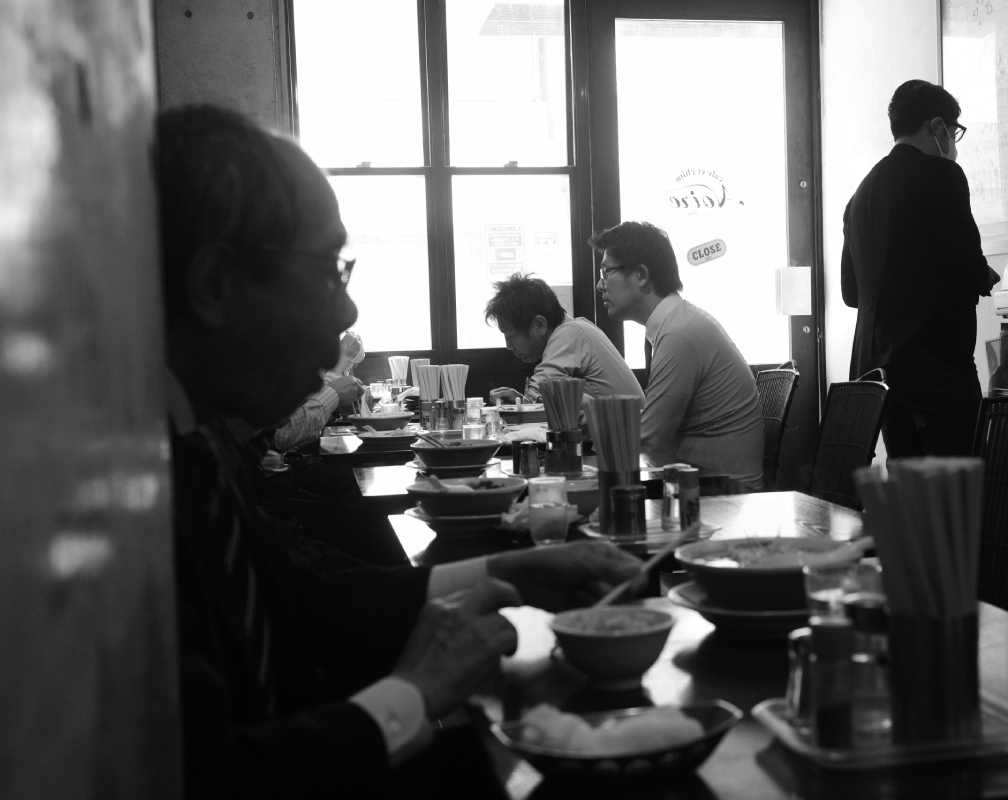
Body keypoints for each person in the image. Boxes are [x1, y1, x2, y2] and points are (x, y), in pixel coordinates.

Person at [158, 103, 643, 798]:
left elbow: (306, 601)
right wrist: (415, 693)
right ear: (213, 284)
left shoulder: (198, 441)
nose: (348, 312)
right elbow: (206, 778)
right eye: (329, 268)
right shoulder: (124, 502)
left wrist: (508, 567)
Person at [841, 79, 999, 459]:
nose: (954, 143)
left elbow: (851, 291)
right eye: (954, 131)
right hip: (935, 368)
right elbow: (964, 262)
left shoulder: (860, 195)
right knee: (960, 487)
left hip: (875, 373)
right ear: (937, 127)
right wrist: (984, 275)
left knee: (908, 487)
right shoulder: (941, 175)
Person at [589, 221, 764, 490]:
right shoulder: (676, 323)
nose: (600, 285)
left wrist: (590, 430)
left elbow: (649, 440)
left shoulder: (679, 335)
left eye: (606, 271)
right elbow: (653, 428)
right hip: (698, 483)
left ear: (641, 275)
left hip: (723, 496)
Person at [485, 273, 643, 406]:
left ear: (539, 324)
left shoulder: (569, 333)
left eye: (510, 335)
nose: (508, 346)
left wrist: (526, 402)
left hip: (623, 439)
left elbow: (539, 391)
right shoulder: (578, 328)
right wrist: (520, 402)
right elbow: (543, 399)